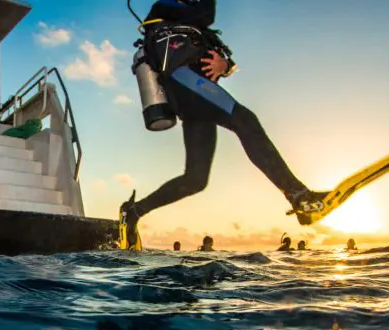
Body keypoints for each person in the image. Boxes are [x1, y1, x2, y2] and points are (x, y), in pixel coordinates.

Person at [119, 0, 328, 250]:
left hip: (195, 97)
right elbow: (203, 15)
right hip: (184, 81)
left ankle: (134, 212)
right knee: (244, 120)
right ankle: (300, 196)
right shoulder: (166, 6)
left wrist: (224, 65)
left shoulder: (194, 20)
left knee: (196, 179)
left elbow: (219, 52)